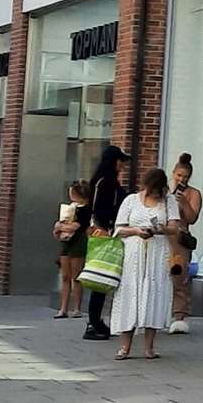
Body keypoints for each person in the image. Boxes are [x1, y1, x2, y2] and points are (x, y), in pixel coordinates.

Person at [110, 168, 181, 360]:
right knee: (129, 294)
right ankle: (125, 346)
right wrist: (135, 231)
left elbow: (175, 228)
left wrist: (160, 229)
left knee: (153, 295)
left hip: (157, 254)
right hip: (134, 254)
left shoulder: (169, 201)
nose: (156, 194)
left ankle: (149, 347)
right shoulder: (131, 200)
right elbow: (119, 229)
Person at [83, 145, 130, 340]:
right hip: (105, 232)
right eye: (120, 161)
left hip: (98, 231)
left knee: (100, 278)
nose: (123, 165)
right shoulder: (107, 183)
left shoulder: (99, 180)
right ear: (114, 161)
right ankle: (93, 323)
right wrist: (108, 227)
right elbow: (104, 209)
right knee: (101, 278)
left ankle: (95, 321)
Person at [167, 153, 203, 334]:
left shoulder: (193, 193)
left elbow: (192, 218)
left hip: (181, 238)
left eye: (185, 177)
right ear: (173, 174)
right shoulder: (166, 192)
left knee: (179, 277)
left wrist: (184, 203)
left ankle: (179, 316)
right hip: (164, 236)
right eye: (179, 175)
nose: (181, 180)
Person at [52, 180, 92, 318]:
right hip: (66, 242)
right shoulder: (69, 208)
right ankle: (63, 308)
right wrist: (60, 228)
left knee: (76, 276)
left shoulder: (85, 209)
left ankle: (76, 308)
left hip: (78, 242)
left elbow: (76, 227)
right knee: (65, 276)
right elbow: (63, 225)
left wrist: (61, 227)